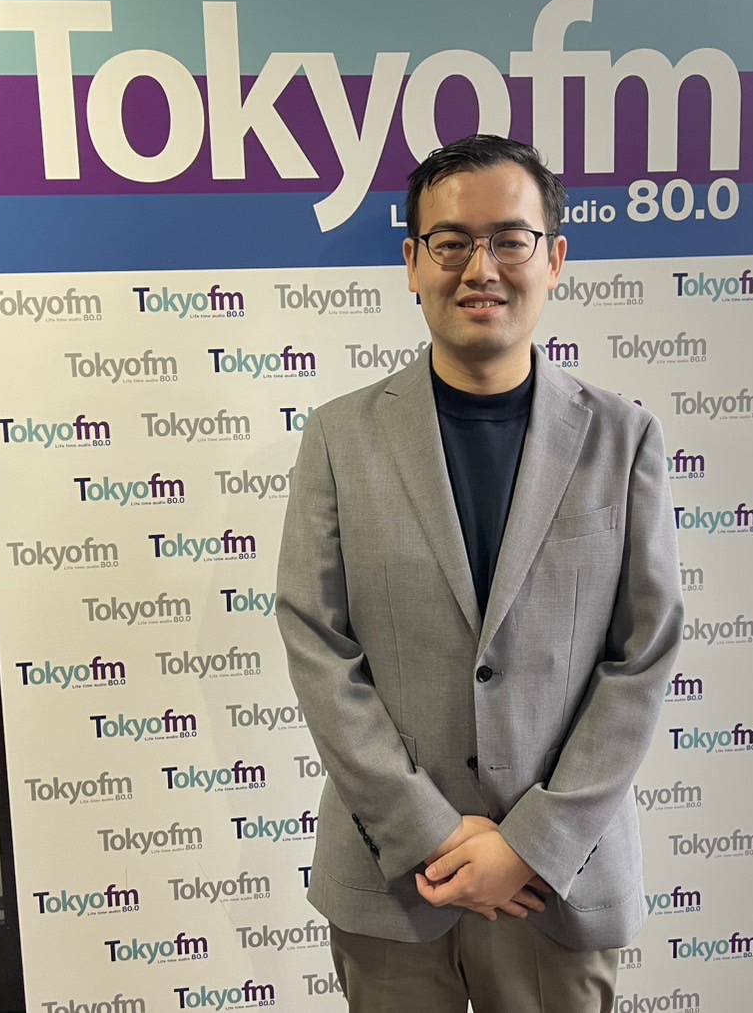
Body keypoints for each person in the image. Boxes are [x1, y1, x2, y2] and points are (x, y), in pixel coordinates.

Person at [276, 134, 685, 1012]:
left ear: (555, 258)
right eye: (451, 242)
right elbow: (318, 643)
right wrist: (427, 830)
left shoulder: (622, 439)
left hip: (557, 885)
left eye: (510, 240)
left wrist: (530, 843)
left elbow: (642, 656)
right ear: (411, 263)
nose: (480, 269)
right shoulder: (340, 437)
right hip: (392, 880)